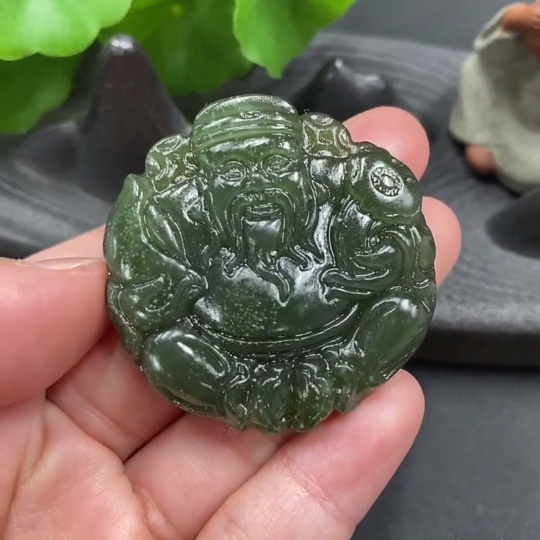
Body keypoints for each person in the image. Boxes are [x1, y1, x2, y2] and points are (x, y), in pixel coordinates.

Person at [0, 107, 460, 539]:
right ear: (206, 186)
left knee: (400, 310)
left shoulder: (345, 200)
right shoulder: (173, 222)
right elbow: (152, 321)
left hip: (338, 349)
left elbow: (406, 282)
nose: (258, 187)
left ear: (306, 170)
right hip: (226, 368)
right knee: (166, 350)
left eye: (278, 166)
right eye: (234, 174)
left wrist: (346, 359)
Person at [450, 1, 540, 192]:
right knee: (475, 70)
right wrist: (519, 19)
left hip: (533, 128)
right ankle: (481, 138)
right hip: (506, 106)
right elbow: (490, 52)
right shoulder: (517, 48)